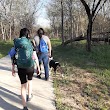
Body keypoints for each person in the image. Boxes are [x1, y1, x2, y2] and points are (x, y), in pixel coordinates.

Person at [11, 28, 39, 110]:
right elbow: (34, 56)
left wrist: (13, 68)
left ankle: (24, 107)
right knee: (30, 81)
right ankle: (29, 96)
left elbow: (13, 55)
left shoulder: (16, 42)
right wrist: (38, 66)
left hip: (20, 67)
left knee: (23, 86)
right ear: (28, 34)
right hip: (30, 66)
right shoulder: (30, 42)